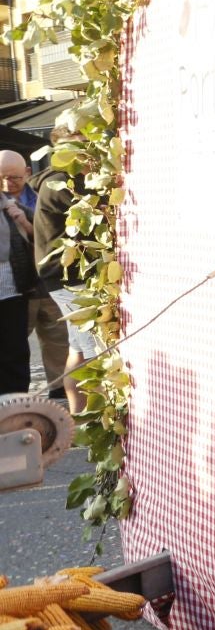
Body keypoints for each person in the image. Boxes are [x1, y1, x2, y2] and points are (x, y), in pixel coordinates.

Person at [30, 123, 92, 415]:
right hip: (68, 277)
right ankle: (96, 415)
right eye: (75, 141)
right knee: (93, 348)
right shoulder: (60, 183)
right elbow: (92, 215)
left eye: (85, 139)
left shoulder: (64, 179)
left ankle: (79, 413)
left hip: (65, 276)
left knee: (78, 347)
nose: (83, 146)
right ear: (59, 148)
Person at [0, 150, 61, 396]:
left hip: (32, 285)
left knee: (26, 350)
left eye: (13, 177)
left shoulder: (42, 194)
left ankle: (26, 405)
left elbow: (49, 239)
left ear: (27, 172)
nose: (7, 183)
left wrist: (24, 222)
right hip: (18, 286)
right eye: (2, 177)